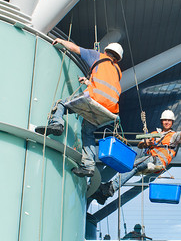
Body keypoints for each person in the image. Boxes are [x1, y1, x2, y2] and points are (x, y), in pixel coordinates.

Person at [35, 38, 123, 178]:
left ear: (106, 51)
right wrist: (88, 82)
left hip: (94, 100)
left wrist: (61, 41)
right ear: (117, 59)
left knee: (61, 104)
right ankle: (88, 167)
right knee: (88, 133)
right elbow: (105, 85)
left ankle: (57, 125)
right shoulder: (117, 71)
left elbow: (75, 48)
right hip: (110, 110)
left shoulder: (98, 56)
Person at [92, 108, 181, 204]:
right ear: (161, 121)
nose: (167, 122)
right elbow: (140, 145)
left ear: (172, 122)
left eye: (169, 120)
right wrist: (146, 143)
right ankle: (106, 193)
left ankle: (109, 187)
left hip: (158, 161)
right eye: (165, 120)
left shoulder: (173, 136)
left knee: (133, 165)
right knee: (132, 168)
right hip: (150, 160)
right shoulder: (154, 133)